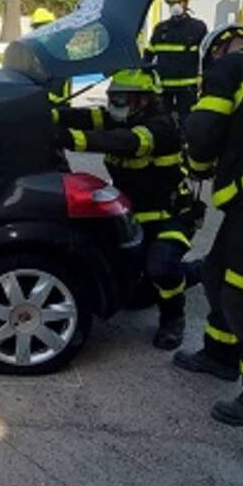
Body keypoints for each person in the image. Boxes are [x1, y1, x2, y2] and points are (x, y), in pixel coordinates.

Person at [56, 69, 198, 349]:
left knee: (161, 268)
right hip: (131, 216)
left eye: (122, 98)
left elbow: (124, 142)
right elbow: (84, 117)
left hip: (169, 217)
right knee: (129, 292)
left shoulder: (160, 128)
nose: (115, 104)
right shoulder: (120, 116)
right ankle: (173, 277)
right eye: (113, 97)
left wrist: (67, 138)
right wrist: (43, 114)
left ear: (144, 100)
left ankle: (173, 318)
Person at [174, 22, 243, 425]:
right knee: (217, 271)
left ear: (215, 51)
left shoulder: (232, 67)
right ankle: (219, 354)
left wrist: (197, 167)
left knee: (242, 295)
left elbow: (202, 131)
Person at [143, 0, 206, 122]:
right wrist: (147, 78)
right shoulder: (160, 29)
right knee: (163, 120)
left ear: (186, 3)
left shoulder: (198, 27)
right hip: (164, 87)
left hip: (188, 87)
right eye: (171, 3)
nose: (175, 6)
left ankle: (186, 142)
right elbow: (148, 55)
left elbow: (208, 55)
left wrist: (205, 78)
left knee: (188, 119)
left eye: (179, 2)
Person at [30, 7, 72, 108]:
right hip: (48, 98)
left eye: (41, 26)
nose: (39, 30)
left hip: (55, 100)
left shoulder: (55, 46)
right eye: (36, 27)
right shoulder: (40, 44)